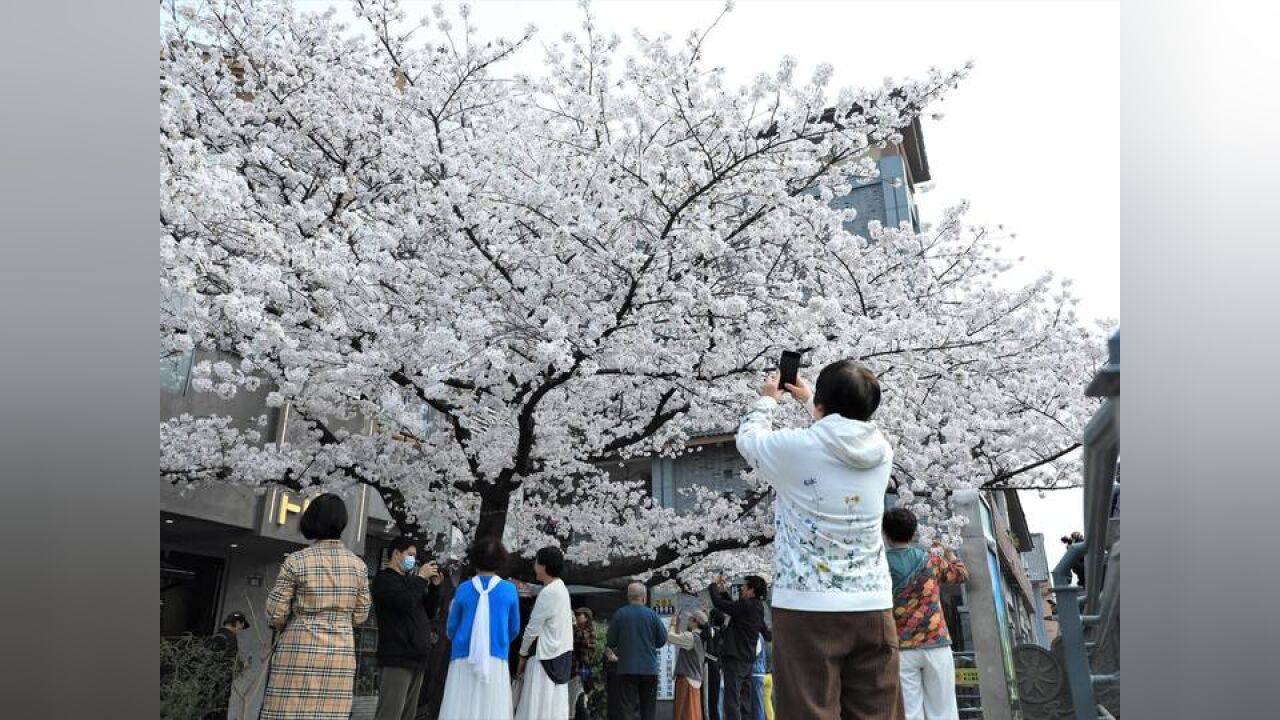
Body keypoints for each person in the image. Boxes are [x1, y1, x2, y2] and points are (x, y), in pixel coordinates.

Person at [736, 361, 903, 720]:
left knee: (810, 711)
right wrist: (811, 401)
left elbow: (748, 440)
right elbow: (837, 437)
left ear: (823, 406)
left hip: (807, 606)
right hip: (873, 604)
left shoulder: (795, 447)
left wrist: (768, 400)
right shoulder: (881, 450)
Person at [261, 494, 373, 720]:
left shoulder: (296, 561)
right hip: (340, 652)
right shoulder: (358, 566)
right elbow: (361, 615)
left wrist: (286, 620)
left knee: (288, 712)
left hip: (299, 647)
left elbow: (275, 613)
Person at [883, 508, 970, 720]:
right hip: (937, 643)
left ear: (885, 533)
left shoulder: (880, 564)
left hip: (902, 647)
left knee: (910, 713)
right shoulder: (932, 560)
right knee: (943, 711)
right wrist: (948, 551)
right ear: (913, 533)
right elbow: (961, 575)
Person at [439, 537, 522, 720]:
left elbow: (452, 626)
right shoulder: (509, 590)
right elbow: (514, 628)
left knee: (459, 708)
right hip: (495, 656)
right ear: (500, 561)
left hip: (463, 657)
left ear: (475, 560)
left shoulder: (463, 589)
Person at [371, 536, 444, 720]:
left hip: (417, 656)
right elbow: (405, 602)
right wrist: (420, 578)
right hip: (397, 656)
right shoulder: (384, 580)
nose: (413, 559)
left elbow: (428, 611)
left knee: (408, 715)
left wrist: (434, 587)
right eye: (410, 554)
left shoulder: (411, 582)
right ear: (396, 554)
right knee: (390, 712)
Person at [516, 546, 576, 720]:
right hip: (561, 655)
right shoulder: (561, 589)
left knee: (536, 707)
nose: (534, 566)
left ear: (543, 566)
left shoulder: (548, 592)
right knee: (553, 708)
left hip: (544, 658)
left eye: (536, 562)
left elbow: (532, 629)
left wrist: (522, 654)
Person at [706, 576, 769, 720]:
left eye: (745, 586)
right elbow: (735, 608)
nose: (741, 588)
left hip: (735, 658)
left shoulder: (746, 606)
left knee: (732, 699)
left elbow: (720, 604)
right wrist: (723, 592)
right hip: (747, 660)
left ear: (752, 590)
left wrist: (712, 585)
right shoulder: (758, 607)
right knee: (744, 699)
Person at [606, 582, 668, 720]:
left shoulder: (620, 614)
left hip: (626, 668)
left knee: (628, 709)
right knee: (648, 709)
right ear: (644, 598)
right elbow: (662, 639)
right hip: (649, 669)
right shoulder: (652, 615)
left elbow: (611, 641)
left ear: (628, 597)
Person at [203, 611, 249, 720]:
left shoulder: (215, 636)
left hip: (205, 687)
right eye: (241, 626)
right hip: (220, 689)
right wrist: (243, 666)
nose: (240, 630)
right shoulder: (231, 638)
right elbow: (230, 665)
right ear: (237, 623)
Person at [667, 611, 708, 720]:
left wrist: (673, 623)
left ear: (695, 622)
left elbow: (671, 637)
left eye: (690, 619)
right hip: (695, 679)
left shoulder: (691, 637)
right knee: (693, 713)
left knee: (685, 713)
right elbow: (679, 637)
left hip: (687, 679)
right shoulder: (701, 637)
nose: (688, 621)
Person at [569, 607, 597, 720]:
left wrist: (574, 625)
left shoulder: (588, 632)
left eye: (579, 614)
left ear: (586, 617)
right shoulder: (577, 630)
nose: (577, 616)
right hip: (574, 671)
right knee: (575, 702)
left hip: (580, 672)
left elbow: (581, 640)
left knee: (579, 702)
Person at [702, 609, 726, 720]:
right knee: (716, 701)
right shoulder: (724, 632)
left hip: (710, 667)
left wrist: (705, 621)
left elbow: (709, 647)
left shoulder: (711, 631)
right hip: (720, 667)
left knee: (708, 700)